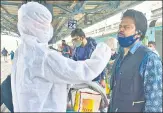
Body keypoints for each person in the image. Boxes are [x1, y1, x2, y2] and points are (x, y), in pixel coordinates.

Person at [11, 2, 111, 112]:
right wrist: (105, 49)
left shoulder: (20, 52)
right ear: (37, 26)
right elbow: (83, 71)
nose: (50, 28)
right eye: (47, 24)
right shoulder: (44, 57)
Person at [109, 9, 162, 112]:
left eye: (126, 27)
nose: (121, 30)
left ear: (138, 33)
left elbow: (155, 103)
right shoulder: (119, 57)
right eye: (120, 26)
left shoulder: (149, 59)